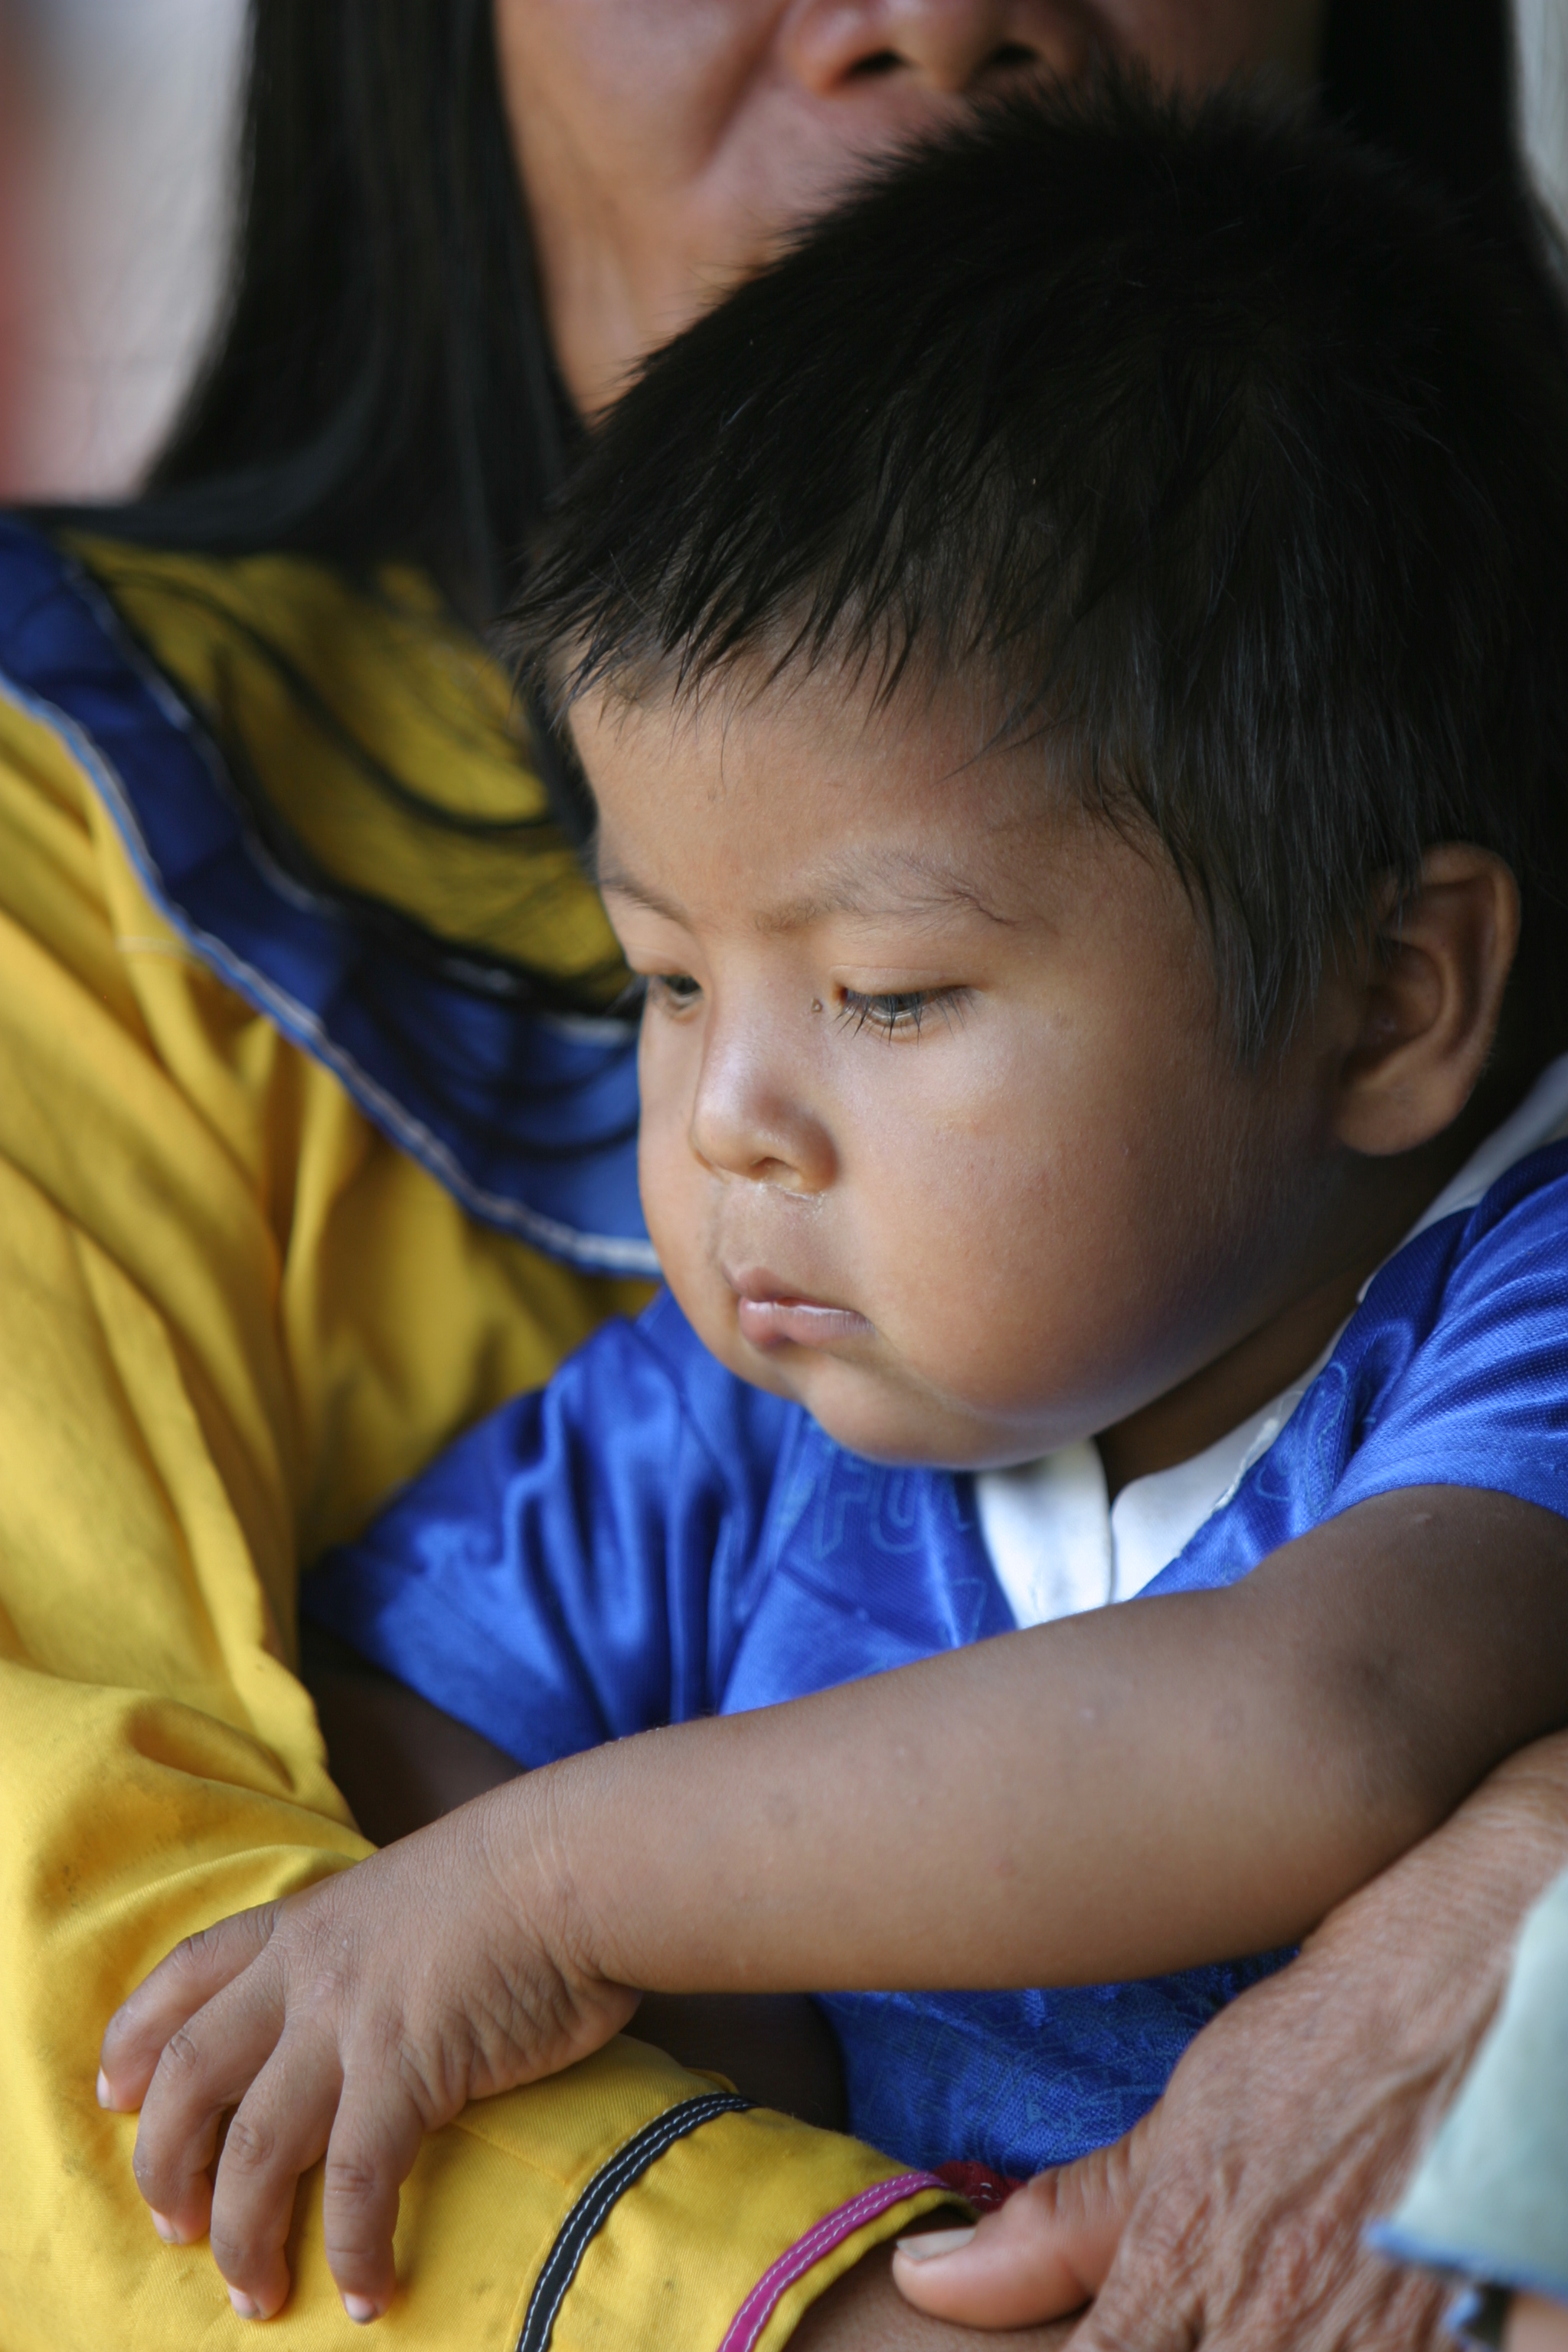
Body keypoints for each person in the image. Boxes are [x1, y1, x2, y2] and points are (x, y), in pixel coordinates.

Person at [3, 4, 1564, 2348]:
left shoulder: (1511, 1299)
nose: (729, 1118)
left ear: (1390, 1001)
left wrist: (554, 1899)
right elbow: (367, 1731)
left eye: (896, 996)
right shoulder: (741, 1404)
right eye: (663, 982)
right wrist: (735, 2100)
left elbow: (1305, 1731)